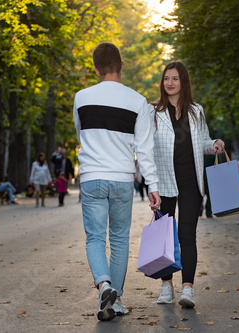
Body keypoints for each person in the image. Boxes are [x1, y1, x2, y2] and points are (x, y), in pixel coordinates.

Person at [72, 42, 161, 321]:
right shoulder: (137, 101)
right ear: (122, 65)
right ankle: (116, 298)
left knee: (95, 238)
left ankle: (104, 286)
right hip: (122, 179)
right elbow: (144, 150)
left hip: (92, 177)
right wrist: (153, 186)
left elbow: (80, 134)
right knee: (120, 239)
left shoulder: (81, 97)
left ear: (96, 69)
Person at [150, 61, 225, 308]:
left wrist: (214, 143)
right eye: (166, 79)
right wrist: (151, 185)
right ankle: (166, 286)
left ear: (184, 82)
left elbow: (203, 141)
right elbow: (145, 148)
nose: (169, 83)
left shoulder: (196, 111)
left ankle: (188, 290)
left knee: (187, 235)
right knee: (163, 236)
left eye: (175, 79)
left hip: (191, 180)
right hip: (164, 181)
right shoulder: (153, 112)